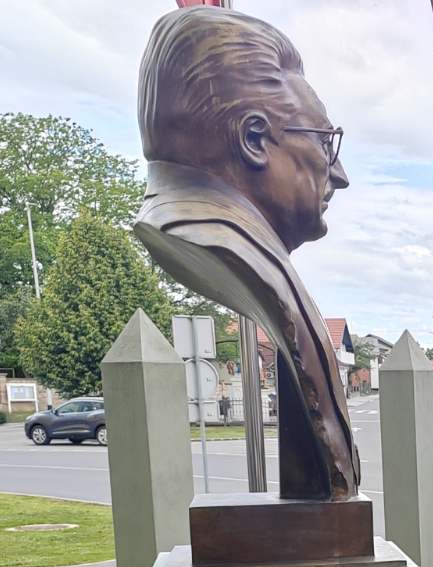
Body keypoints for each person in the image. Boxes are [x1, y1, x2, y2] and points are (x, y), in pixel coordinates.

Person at [134, 5, 359, 501]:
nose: (339, 174)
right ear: (254, 139)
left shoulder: (252, 251)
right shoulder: (234, 251)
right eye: (326, 143)